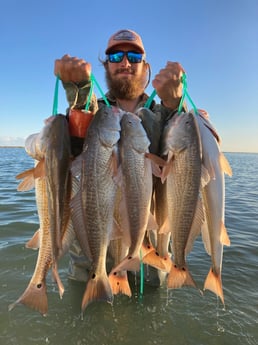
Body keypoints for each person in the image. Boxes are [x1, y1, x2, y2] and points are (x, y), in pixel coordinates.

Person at [28, 29, 186, 286]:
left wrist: (175, 105)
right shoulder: (95, 113)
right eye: (115, 56)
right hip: (90, 264)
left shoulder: (167, 115)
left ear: (146, 66)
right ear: (106, 65)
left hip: (148, 264)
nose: (125, 62)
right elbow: (55, 145)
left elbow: (186, 158)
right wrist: (79, 95)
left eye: (134, 56)